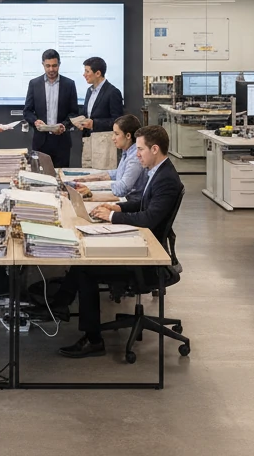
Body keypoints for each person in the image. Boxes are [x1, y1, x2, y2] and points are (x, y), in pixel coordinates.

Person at [58, 126, 182, 359]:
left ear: (155, 149)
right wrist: (118, 207)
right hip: (142, 241)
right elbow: (142, 202)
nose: (137, 154)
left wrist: (113, 217)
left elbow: (149, 218)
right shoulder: (158, 170)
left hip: (147, 257)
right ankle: (57, 305)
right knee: (81, 261)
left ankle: (93, 339)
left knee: (86, 269)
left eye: (142, 149)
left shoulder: (166, 179)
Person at [22, 49, 79, 169]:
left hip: (62, 142)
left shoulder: (69, 84)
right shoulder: (34, 84)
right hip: (41, 141)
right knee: (39, 178)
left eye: (54, 65)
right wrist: (35, 121)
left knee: (61, 178)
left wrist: (64, 126)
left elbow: (74, 113)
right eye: (48, 66)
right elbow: (27, 111)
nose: (51, 69)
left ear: (59, 64)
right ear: (43, 64)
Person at [71, 114, 146, 202]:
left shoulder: (135, 157)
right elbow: (117, 173)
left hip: (131, 205)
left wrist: (91, 188)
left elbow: (122, 189)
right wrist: (86, 179)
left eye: (116, 134)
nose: (113, 138)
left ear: (128, 136)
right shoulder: (128, 151)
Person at [73, 56, 124, 170]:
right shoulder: (89, 91)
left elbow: (118, 121)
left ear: (98, 73)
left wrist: (94, 124)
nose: (84, 75)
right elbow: (87, 114)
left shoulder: (113, 92)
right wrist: (80, 121)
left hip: (104, 145)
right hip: (88, 142)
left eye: (87, 71)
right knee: (87, 173)